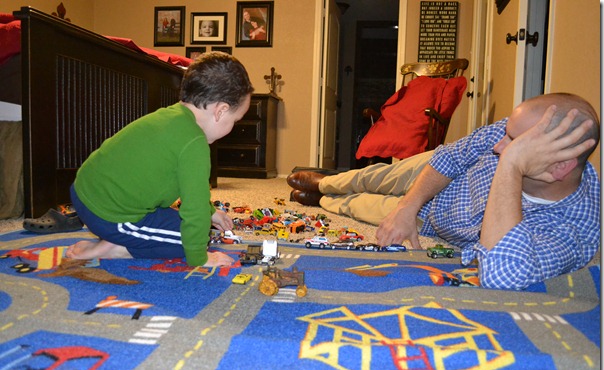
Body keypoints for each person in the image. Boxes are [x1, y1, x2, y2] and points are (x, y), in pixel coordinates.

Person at [287, 93, 600, 290]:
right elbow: (450, 157)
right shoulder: (515, 130)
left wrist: (511, 166)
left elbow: (502, 275)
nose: (498, 146)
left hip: (435, 225)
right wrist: (406, 207)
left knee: (357, 207)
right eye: (506, 135)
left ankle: (323, 199)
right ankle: (324, 183)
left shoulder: (574, 230)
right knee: (372, 177)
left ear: (559, 167)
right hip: (440, 176)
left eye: (513, 145)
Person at [66, 52, 254, 268]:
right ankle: (117, 247)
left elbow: (192, 190)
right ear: (221, 111)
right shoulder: (194, 144)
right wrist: (200, 257)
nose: (233, 126)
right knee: (190, 238)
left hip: (85, 194)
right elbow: (194, 209)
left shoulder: (171, 115)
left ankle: (121, 237)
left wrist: (211, 213)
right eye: (235, 120)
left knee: (183, 223)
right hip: (108, 216)